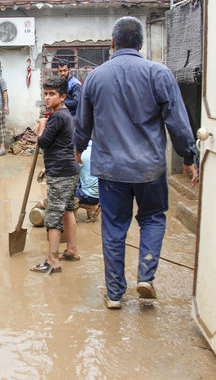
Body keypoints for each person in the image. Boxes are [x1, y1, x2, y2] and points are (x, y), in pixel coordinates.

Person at [74, 16, 198, 309]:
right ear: (140, 43)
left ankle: (115, 294)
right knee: (153, 218)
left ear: (112, 44)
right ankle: (146, 275)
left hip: (111, 170)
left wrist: (78, 150)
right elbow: (178, 123)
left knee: (115, 228)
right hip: (150, 168)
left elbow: (82, 124)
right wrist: (190, 156)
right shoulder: (159, 73)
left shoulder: (95, 77)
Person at [30, 76, 80, 275]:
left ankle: (53, 261)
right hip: (69, 170)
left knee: (52, 217)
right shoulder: (63, 114)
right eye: (45, 94)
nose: (47, 98)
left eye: (52, 94)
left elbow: (43, 142)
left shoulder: (57, 116)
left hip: (61, 173)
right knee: (67, 210)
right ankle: (71, 250)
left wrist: (42, 123)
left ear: (63, 97)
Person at [74, 140, 100, 222]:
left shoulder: (80, 154)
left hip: (91, 194)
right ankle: (91, 215)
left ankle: (92, 208)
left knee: (68, 195)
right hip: (102, 192)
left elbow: (70, 173)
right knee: (84, 178)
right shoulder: (96, 148)